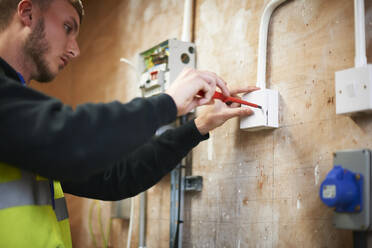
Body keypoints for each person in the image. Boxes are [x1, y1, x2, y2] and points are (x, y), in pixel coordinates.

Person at [0, 0, 258, 247]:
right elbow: (73, 137)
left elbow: (117, 177)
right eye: (68, 27)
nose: (75, 49)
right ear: (27, 13)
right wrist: (167, 102)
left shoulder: (26, 125)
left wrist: (198, 126)